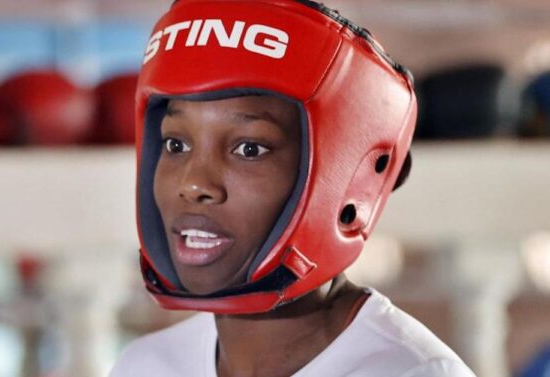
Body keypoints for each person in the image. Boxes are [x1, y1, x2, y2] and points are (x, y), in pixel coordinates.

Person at [111, 0, 476, 376]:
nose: (194, 184)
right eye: (176, 144)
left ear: (352, 184)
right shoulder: (147, 365)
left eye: (249, 149)